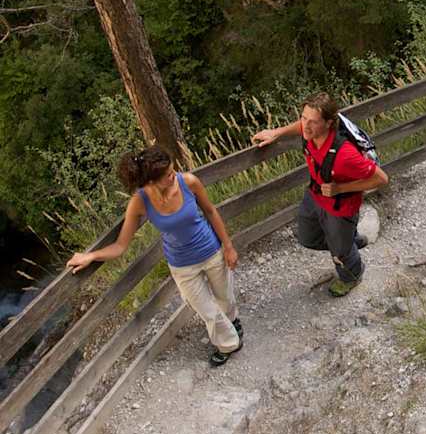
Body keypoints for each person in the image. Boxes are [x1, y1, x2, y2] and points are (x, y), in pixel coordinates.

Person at [66, 145, 243, 366]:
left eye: (172, 169)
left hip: (211, 251)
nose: (174, 174)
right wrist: (91, 256)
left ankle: (233, 320)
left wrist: (228, 246)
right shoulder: (139, 202)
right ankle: (229, 344)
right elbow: (120, 245)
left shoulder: (188, 182)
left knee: (225, 297)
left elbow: (210, 211)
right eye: (168, 175)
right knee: (207, 310)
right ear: (151, 181)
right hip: (182, 265)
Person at [251, 92, 388, 296]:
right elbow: (303, 126)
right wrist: (276, 132)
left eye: (313, 122)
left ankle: (352, 274)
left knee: (340, 251)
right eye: (303, 118)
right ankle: (349, 241)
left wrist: (339, 189)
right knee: (307, 237)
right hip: (314, 195)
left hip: (340, 206)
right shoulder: (311, 132)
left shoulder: (345, 155)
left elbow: (381, 179)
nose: (305, 126)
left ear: (328, 123)